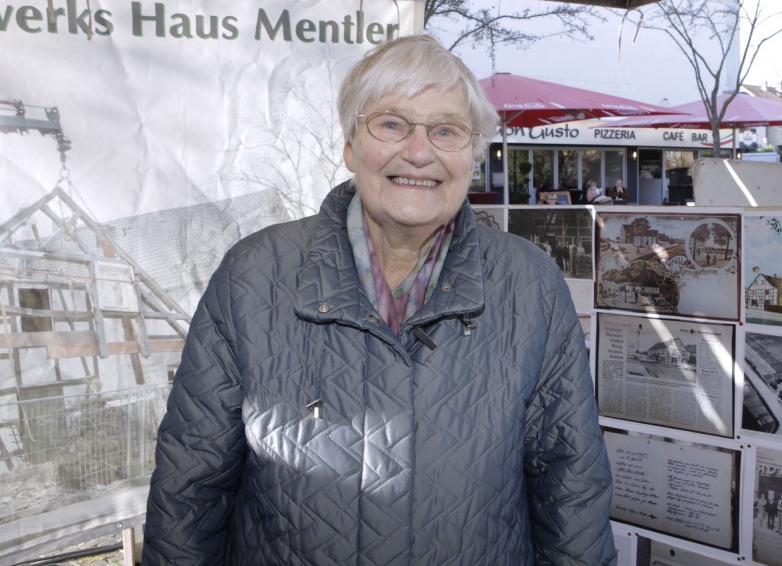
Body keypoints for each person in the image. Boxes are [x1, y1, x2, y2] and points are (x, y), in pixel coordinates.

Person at [142, 35, 616, 565]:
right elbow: (190, 488)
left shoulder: (529, 284)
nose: (419, 152)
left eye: (446, 131)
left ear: (472, 157)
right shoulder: (253, 276)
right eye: (391, 124)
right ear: (350, 145)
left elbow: (571, 486)